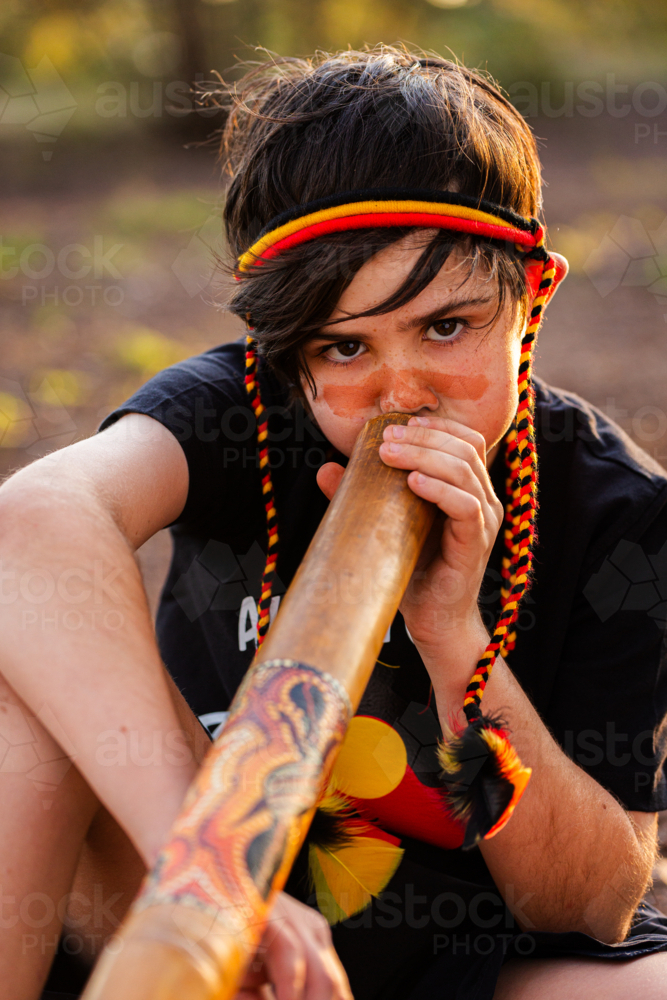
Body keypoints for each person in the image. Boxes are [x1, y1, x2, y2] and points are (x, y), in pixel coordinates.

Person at [2, 46, 667, 1000]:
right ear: (285, 351)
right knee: (21, 677)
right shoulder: (234, 410)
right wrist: (213, 874)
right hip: (186, 926)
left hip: (458, 953)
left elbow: (593, 902)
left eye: (447, 326)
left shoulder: (616, 508)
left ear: (533, 296)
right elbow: (32, 519)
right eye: (345, 347)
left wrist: (454, 637)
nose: (403, 393)